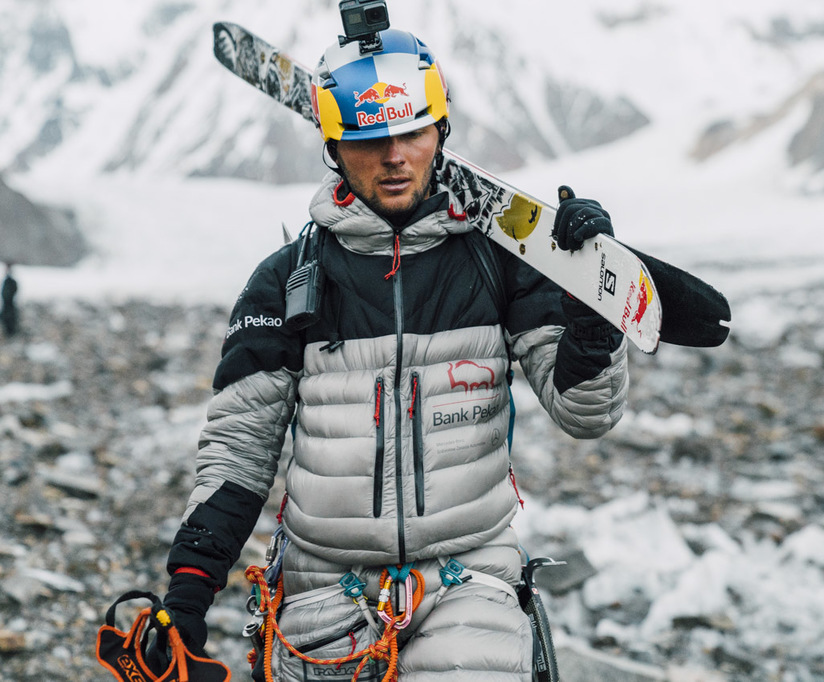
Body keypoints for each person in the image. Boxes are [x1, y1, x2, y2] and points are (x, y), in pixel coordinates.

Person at [157, 28, 628, 681]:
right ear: (333, 149)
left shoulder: (503, 265)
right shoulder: (287, 281)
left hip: (472, 583)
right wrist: (186, 597)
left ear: (442, 129)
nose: (396, 157)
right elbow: (239, 450)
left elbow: (586, 412)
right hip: (324, 596)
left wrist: (592, 306)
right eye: (370, 140)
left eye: (414, 133)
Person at [1, 263, 18, 337]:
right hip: (7, 304)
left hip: (9, 304)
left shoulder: (10, 281)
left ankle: (10, 334)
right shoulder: (7, 280)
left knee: (9, 319)